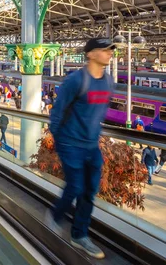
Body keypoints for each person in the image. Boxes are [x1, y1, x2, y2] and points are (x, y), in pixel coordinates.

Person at [47, 37, 115, 259]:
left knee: (90, 191)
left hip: (91, 145)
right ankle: (55, 216)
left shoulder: (108, 82)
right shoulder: (76, 80)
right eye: (105, 50)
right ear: (91, 54)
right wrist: (59, 139)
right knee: (75, 186)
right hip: (70, 142)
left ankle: (79, 235)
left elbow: (97, 113)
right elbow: (57, 112)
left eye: (111, 50)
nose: (110, 53)